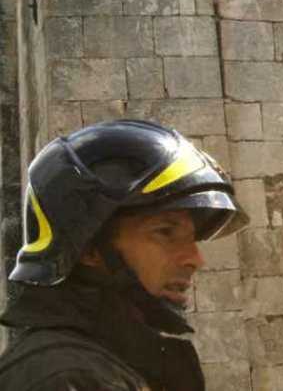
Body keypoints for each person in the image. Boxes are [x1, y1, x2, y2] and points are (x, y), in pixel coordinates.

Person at [0, 119, 249, 390]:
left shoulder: (112, 364)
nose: (194, 260)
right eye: (165, 232)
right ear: (90, 249)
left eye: (192, 239)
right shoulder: (66, 378)